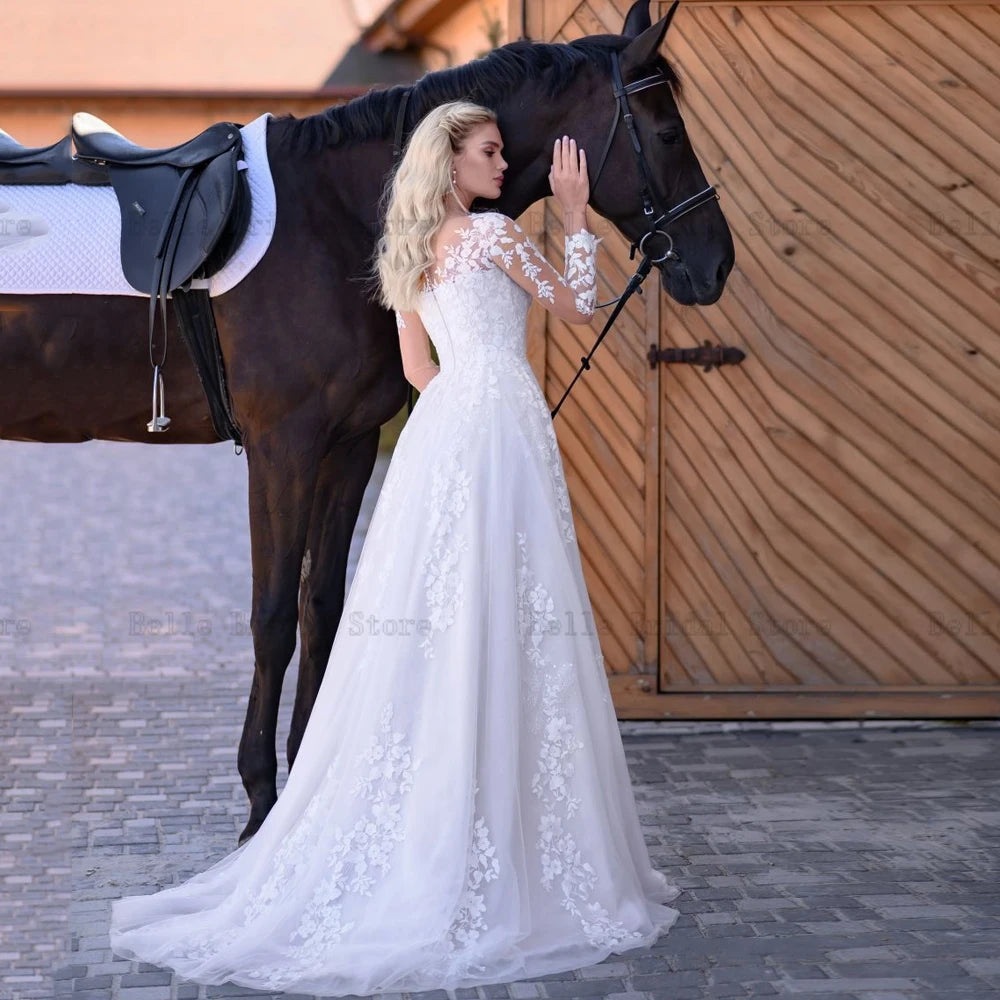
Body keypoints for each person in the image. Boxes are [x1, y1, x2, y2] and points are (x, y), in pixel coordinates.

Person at [107, 99, 681, 995]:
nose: (504, 166)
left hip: (446, 432)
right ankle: (494, 816)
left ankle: (434, 805)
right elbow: (579, 307)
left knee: (434, 615)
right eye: (490, 154)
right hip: (496, 427)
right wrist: (573, 217)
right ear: (449, 164)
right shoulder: (493, 238)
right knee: (508, 606)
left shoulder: (406, 254)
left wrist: (461, 400)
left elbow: (417, 372)